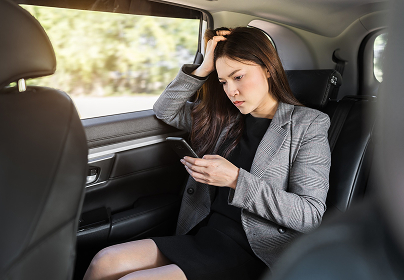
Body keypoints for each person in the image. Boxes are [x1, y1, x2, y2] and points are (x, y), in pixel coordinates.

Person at [83, 27, 331, 280]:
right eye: (223, 81)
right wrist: (203, 69)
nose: (231, 91)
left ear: (267, 68)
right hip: (205, 234)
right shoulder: (224, 118)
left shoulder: (308, 124)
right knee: (103, 261)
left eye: (238, 77)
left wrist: (236, 179)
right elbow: (165, 110)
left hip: (254, 252)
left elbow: (309, 215)